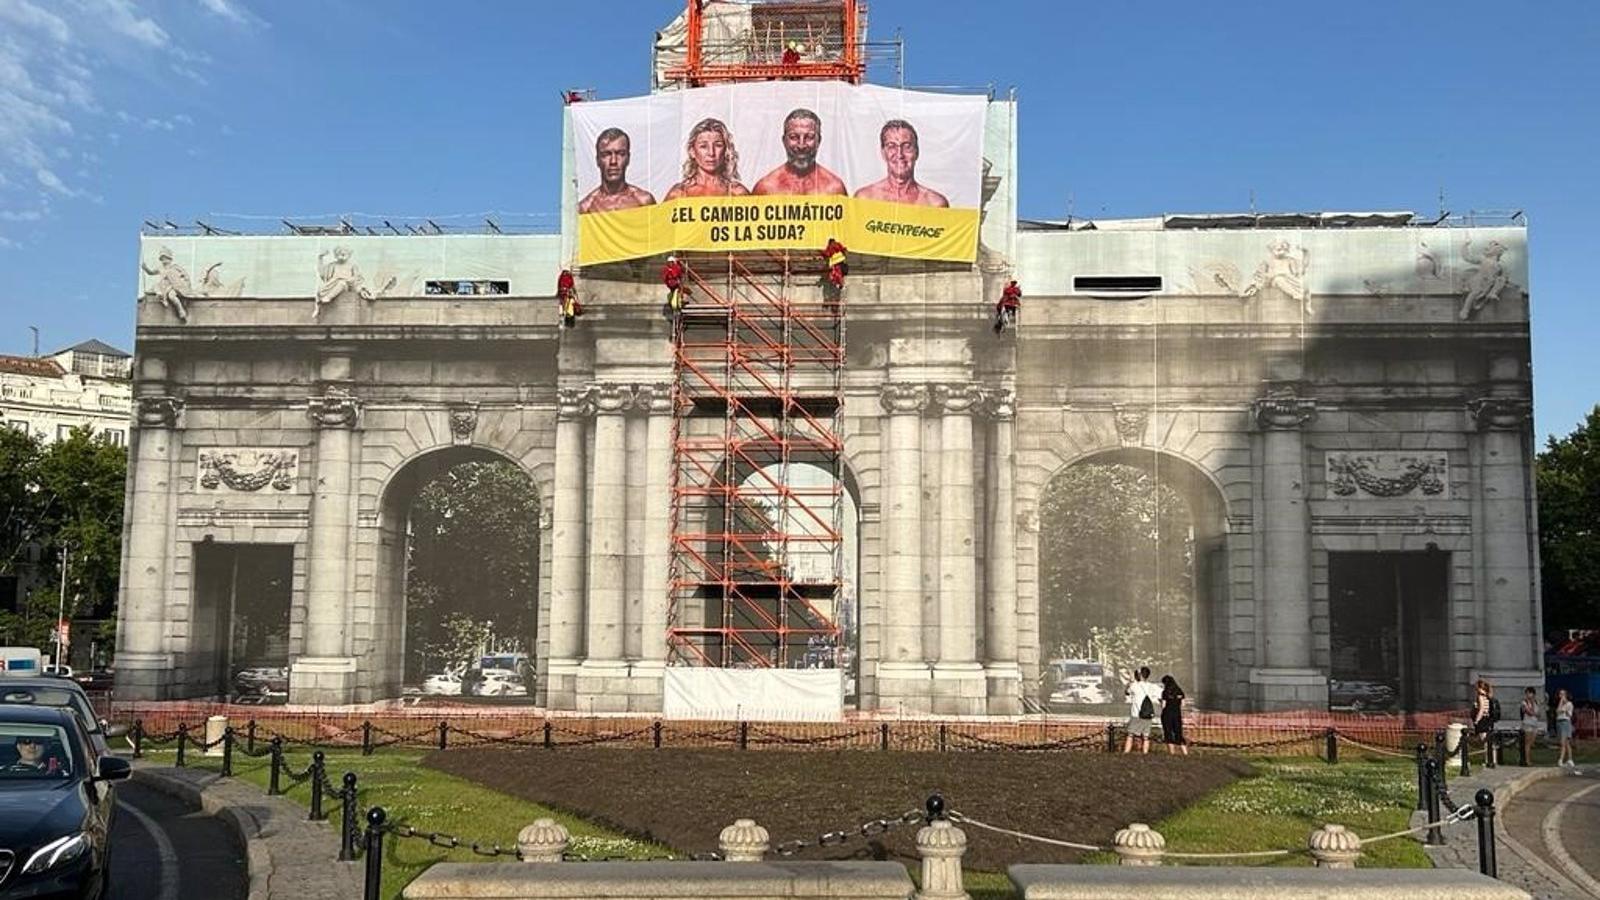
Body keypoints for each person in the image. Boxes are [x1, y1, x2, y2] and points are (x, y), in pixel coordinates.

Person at [854, 120, 950, 208]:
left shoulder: (934, 204)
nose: (900, 154)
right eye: (892, 146)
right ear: (883, 153)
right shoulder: (865, 198)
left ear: (916, 152)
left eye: (907, 146)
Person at [751, 109, 847, 197]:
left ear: (819, 141)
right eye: (794, 137)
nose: (801, 145)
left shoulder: (834, 188)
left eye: (809, 137)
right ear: (784, 141)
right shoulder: (766, 188)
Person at [663, 118, 748, 200]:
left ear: (726, 150)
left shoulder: (737, 193)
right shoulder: (678, 194)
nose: (711, 153)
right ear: (692, 151)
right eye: (703, 146)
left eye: (718, 145)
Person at [578, 128, 658, 214]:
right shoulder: (586, 208)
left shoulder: (643, 201)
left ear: (628, 158)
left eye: (620, 154)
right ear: (598, 160)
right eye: (606, 154)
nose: (613, 161)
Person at [315, 246, 374, 319]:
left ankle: (328, 297)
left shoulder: (352, 266)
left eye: (344, 254)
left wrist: (349, 280)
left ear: (348, 255)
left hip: (347, 285)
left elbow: (357, 277)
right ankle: (327, 296)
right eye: (340, 254)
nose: (342, 255)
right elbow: (322, 273)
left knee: (342, 283)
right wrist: (320, 258)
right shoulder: (332, 265)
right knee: (337, 283)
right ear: (336, 255)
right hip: (332, 284)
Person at [140, 247, 191, 323]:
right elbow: (150, 272)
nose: (164, 260)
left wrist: (185, 284)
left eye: (165, 258)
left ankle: (181, 311)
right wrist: (145, 268)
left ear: (169, 258)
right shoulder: (160, 268)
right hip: (163, 286)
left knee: (172, 296)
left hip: (172, 287)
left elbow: (185, 276)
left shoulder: (175, 267)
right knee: (156, 287)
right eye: (162, 259)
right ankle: (162, 297)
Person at [1122, 666, 1160, 754]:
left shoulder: (1135, 685)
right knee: (1146, 736)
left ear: (1140, 675)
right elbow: (1160, 695)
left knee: (1130, 734)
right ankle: (1145, 752)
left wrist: (1131, 681)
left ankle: (1126, 752)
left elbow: (1127, 692)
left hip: (1136, 714)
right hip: (1147, 714)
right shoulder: (1152, 686)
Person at [1159, 675, 1190, 756]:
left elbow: (1163, 705)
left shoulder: (1165, 692)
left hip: (1167, 714)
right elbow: (1183, 704)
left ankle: (1172, 753)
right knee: (1178, 733)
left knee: (1168, 732)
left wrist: (1160, 701)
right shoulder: (1179, 691)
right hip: (1177, 714)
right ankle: (1185, 752)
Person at [1471, 678, 1497, 754]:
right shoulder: (1488, 697)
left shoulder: (1480, 697)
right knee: (1488, 740)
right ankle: (1492, 758)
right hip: (1488, 719)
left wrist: (1476, 720)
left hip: (1483, 720)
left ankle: (1489, 759)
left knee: (1484, 740)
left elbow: (1481, 709)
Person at [1554, 688, 1576, 770]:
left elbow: (1567, 714)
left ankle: (1560, 759)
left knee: (1563, 742)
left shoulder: (1569, 704)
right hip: (1559, 722)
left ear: (1566, 695)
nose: (1561, 696)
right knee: (1566, 743)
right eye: (1560, 694)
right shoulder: (1560, 704)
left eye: (1562, 694)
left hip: (1565, 722)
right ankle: (1570, 759)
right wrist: (1561, 702)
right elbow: (1557, 711)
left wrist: (1563, 703)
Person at [1519, 686, 1541, 764]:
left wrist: (1535, 713)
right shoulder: (1524, 702)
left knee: (1532, 742)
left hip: (1535, 723)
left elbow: (1539, 713)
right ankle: (1527, 760)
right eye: (1527, 693)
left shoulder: (1536, 702)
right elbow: (1528, 712)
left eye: (1530, 693)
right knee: (1527, 742)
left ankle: (1527, 756)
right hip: (1527, 723)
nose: (1528, 695)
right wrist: (1534, 713)